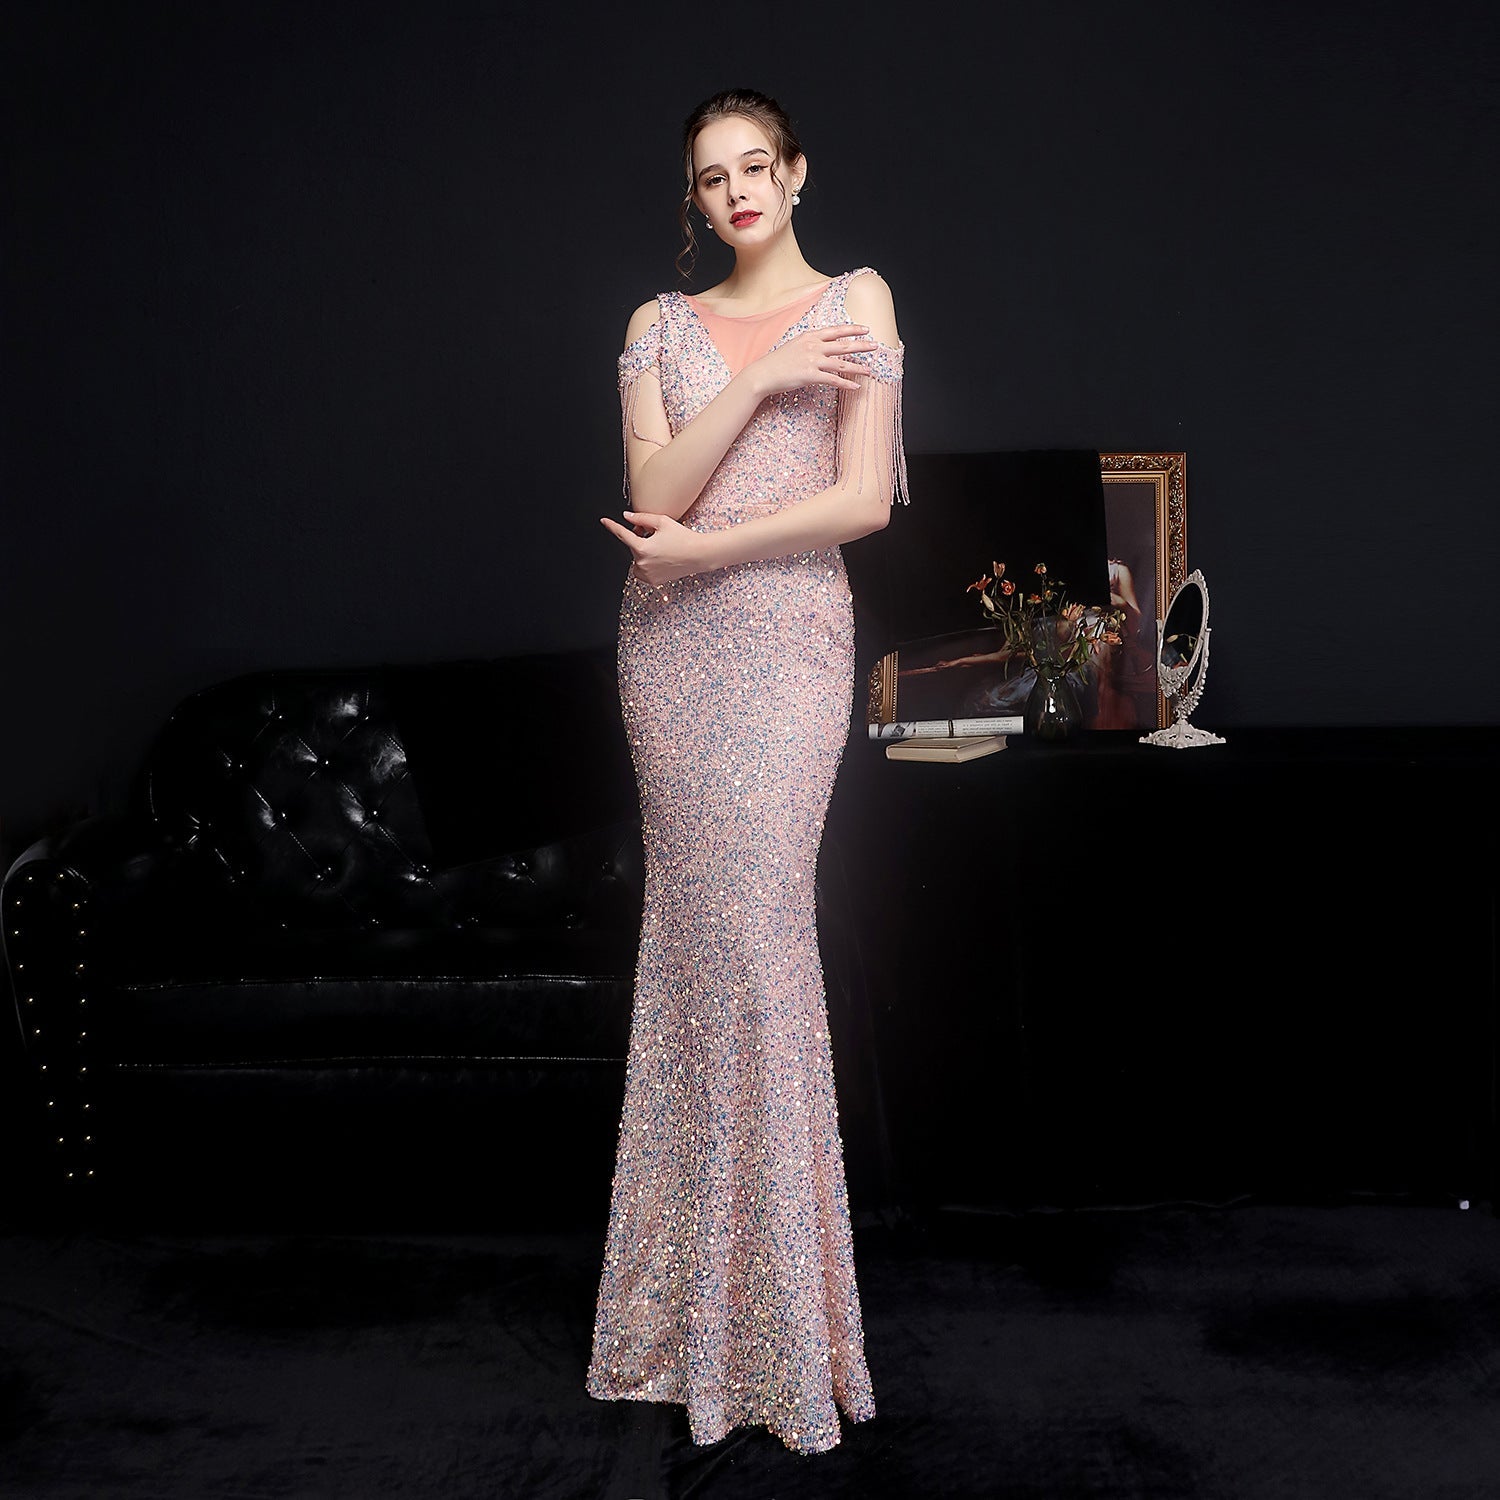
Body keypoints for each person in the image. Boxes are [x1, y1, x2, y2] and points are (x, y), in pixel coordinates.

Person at [586, 86, 908, 1456]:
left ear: (798, 172)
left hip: (785, 654)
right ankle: (684, 1330)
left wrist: (706, 553)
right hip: (670, 666)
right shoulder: (655, 326)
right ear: (695, 198)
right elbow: (653, 494)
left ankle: (782, 1339)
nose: (737, 192)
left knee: (762, 948)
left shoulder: (858, 300)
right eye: (713, 177)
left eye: (757, 165)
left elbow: (864, 501)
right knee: (693, 955)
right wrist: (764, 380)